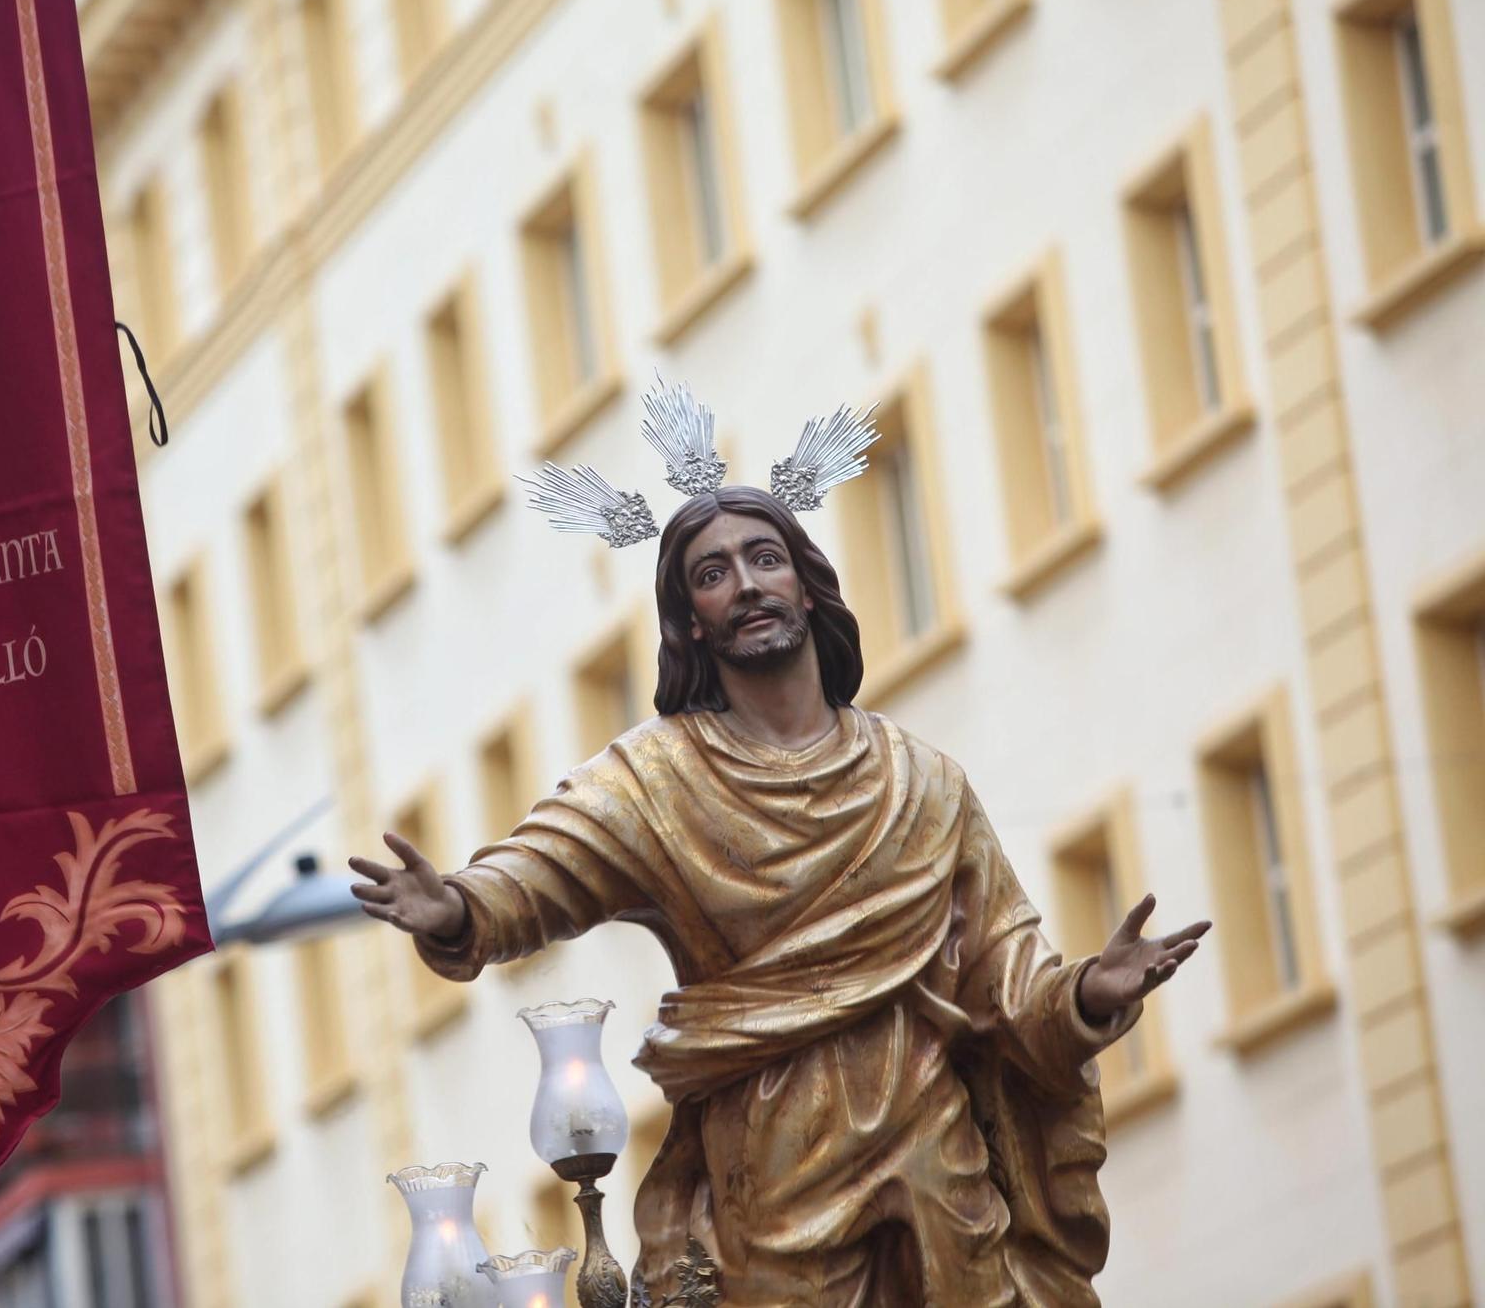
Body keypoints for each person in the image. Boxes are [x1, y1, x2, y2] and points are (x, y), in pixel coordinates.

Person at [350, 484, 1209, 1307]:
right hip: (771, 1166)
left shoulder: (923, 783)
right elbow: (543, 870)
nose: (747, 583)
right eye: (713, 572)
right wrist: (460, 907)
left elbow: (1005, 975)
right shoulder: (657, 779)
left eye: (764, 558)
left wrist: (1089, 995)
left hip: (935, 1157)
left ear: (804, 582)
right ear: (692, 617)